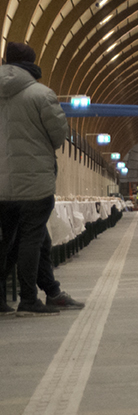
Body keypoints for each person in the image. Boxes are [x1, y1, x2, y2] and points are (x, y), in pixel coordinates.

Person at [0, 42, 69, 315]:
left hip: (2, 186)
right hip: (35, 183)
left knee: (7, 241)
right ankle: (29, 299)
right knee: (31, 239)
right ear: (32, 62)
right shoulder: (42, 94)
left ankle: (38, 293)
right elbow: (58, 136)